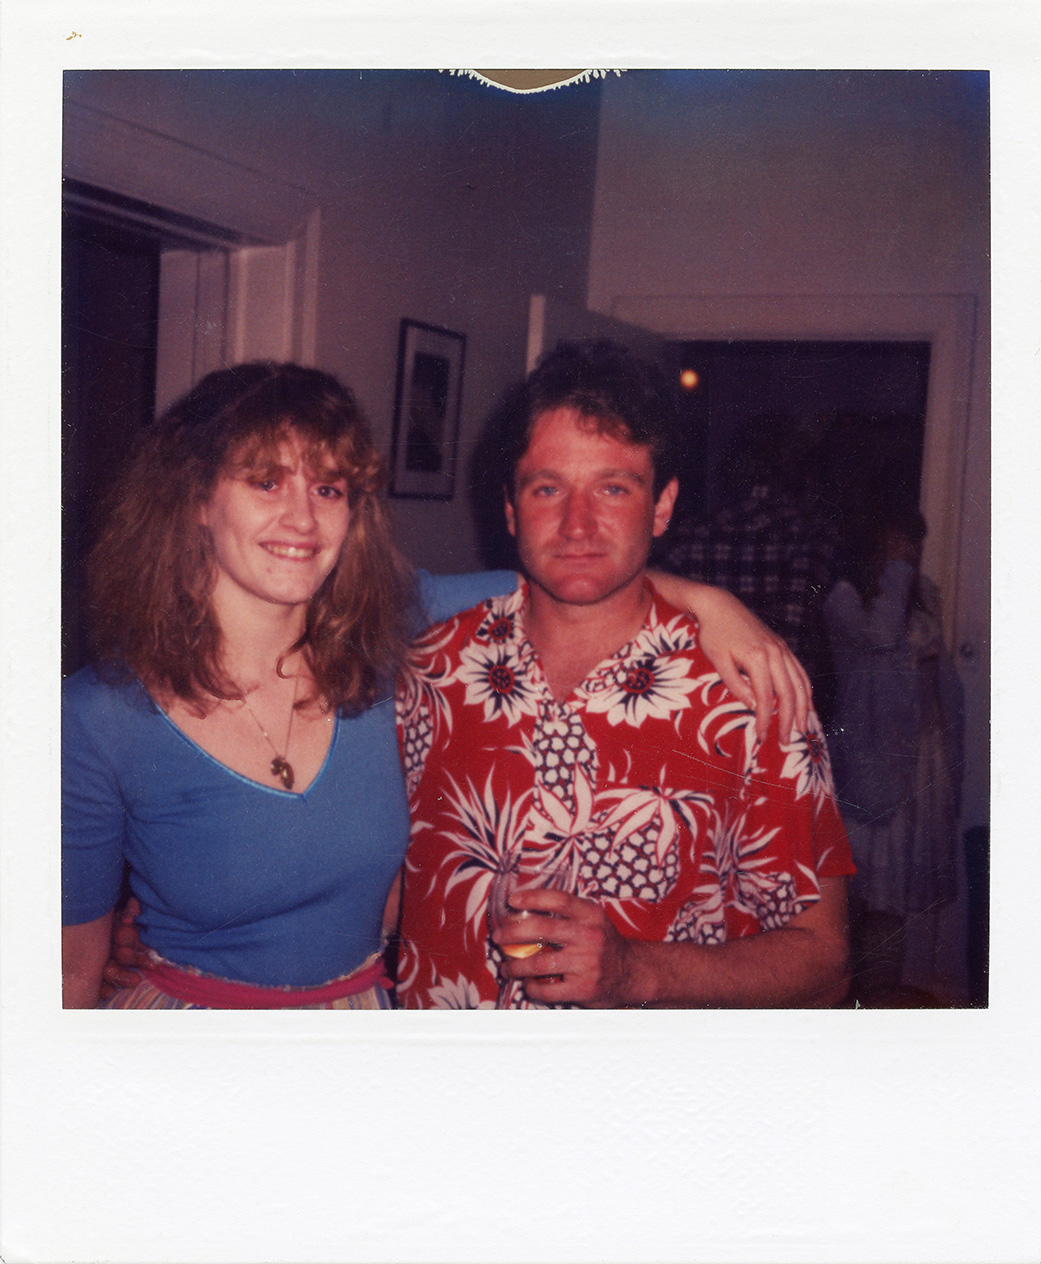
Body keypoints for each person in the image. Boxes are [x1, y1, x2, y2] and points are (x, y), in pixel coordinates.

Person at [65, 360, 808, 1010]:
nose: (301, 517)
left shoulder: (390, 641)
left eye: (327, 488)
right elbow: (67, 969)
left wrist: (710, 603)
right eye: (265, 481)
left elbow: (565, 573)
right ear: (196, 498)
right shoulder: (97, 715)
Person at [394, 341, 854, 1009]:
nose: (577, 523)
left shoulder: (748, 692)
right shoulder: (428, 672)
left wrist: (638, 972)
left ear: (662, 506)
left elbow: (823, 955)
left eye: (612, 488)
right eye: (547, 488)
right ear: (510, 507)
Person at [822, 503, 963, 1000]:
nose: (911, 553)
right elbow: (881, 639)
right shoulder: (844, 597)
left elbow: (939, 676)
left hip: (921, 759)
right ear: (876, 540)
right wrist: (901, 572)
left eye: (916, 545)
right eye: (901, 542)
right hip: (870, 761)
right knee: (856, 900)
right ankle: (843, 1001)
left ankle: (879, 1008)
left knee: (894, 903)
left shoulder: (921, 595)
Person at [664, 413, 842, 713]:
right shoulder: (811, 534)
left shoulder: (694, 532)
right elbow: (795, 631)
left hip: (700, 698)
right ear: (799, 469)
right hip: (780, 699)